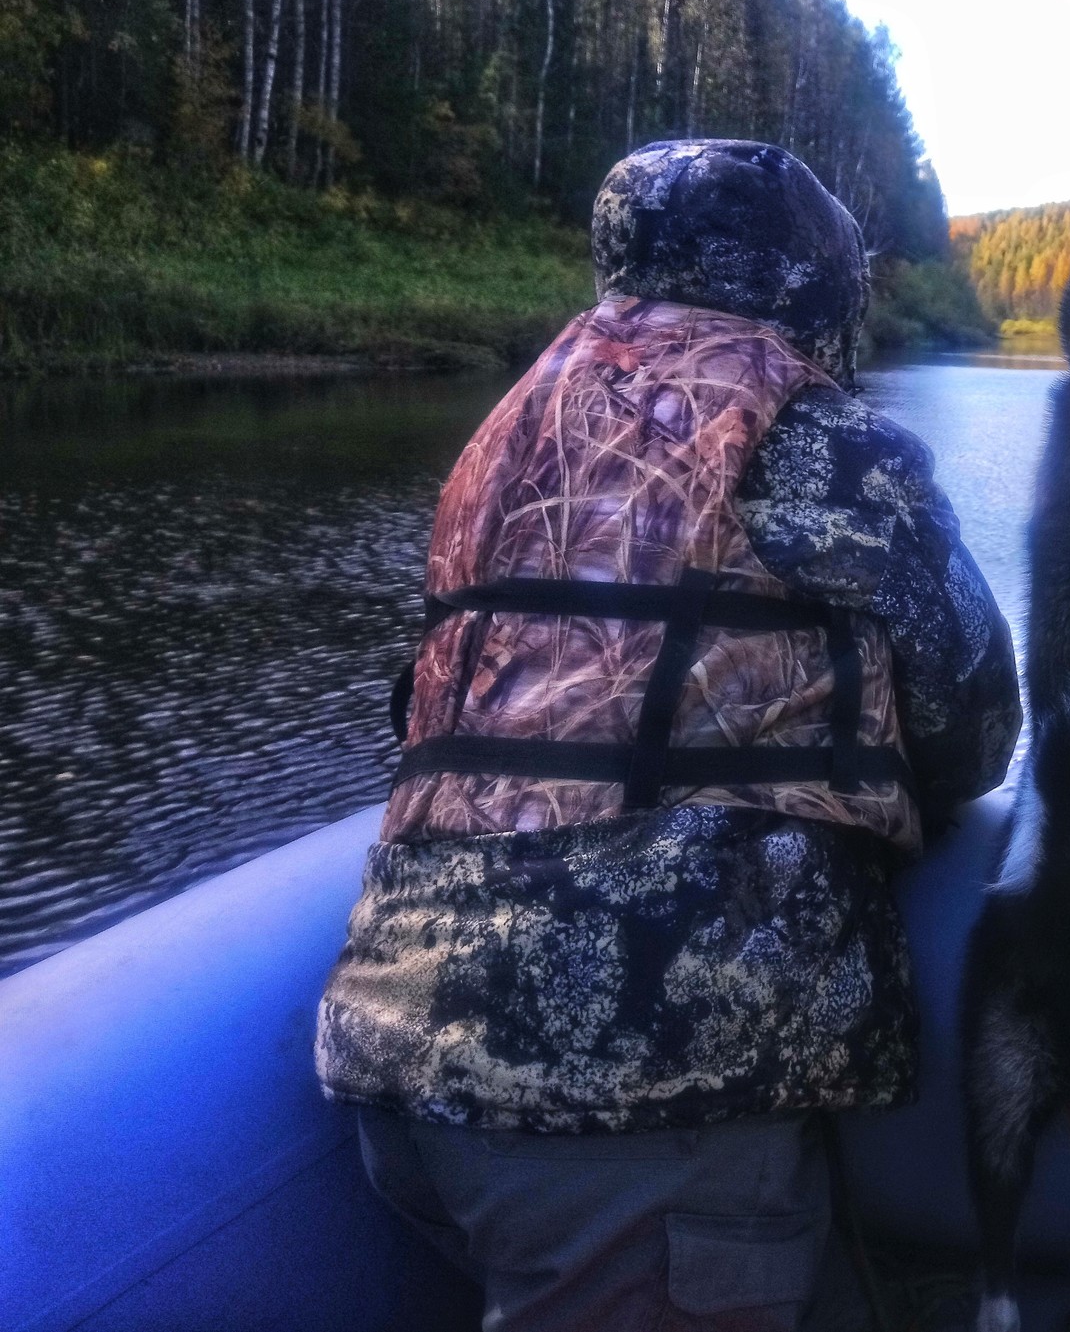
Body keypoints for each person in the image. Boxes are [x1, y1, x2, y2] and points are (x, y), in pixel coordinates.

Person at [315, 139, 1022, 1332]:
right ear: (812, 287)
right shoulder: (818, 439)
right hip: (629, 1102)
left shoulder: (503, 437)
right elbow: (976, 716)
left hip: (394, 1054)